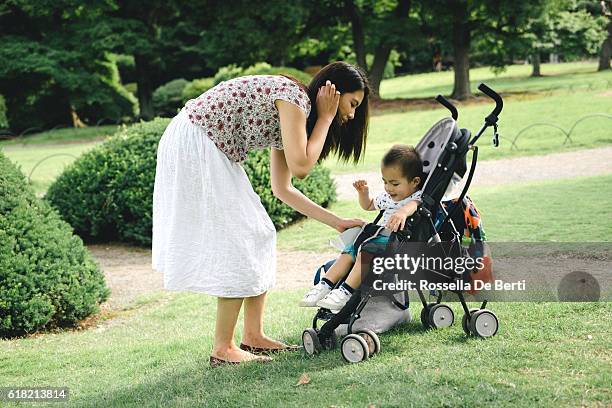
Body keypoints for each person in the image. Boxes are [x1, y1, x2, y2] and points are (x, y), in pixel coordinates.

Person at [152, 62, 371, 367]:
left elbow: (283, 188)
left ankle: (253, 335)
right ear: (331, 93)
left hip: (204, 141)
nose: (350, 115)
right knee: (243, 239)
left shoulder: (294, 111)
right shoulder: (294, 100)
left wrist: (337, 222)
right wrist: (326, 117)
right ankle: (223, 348)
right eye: (351, 104)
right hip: (198, 139)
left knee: (261, 231)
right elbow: (302, 167)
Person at [299, 144, 423, 311]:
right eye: (385, 182)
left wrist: (402, 212)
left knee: (365, 251)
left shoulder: (416, 196)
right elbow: (369, 205)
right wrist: (363, 194)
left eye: (394, 183)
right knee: (350, 250)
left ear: (415, 182)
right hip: (378, 237)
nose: (388, 188)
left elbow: (415, 205)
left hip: (396, 243)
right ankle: (325, 285)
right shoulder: (388, 197)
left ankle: (345, 291)